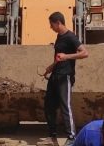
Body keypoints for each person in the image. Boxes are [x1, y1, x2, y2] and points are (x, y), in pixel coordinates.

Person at [37, 12, 89, 146]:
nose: (50, 27)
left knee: (66, 106)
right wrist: (51, 66)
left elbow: (84, 53)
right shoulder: (59, 37)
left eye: (51, 24)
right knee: (49, 106)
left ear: (58, 23)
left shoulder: (71, 37)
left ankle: (72, 137)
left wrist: (67, 57)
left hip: (65, 76)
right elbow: (58, 56)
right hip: (55, 75)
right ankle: (52, 136)